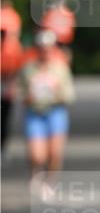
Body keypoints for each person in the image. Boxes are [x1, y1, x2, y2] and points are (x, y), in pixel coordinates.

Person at [19, 29, 75, 196]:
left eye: (48, 47)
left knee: (55, 153)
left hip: (56, 112)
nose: (45, 51)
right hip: (35, 112)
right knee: (37, 155)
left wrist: (57, 91)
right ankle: (35, 174)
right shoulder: (28, 69)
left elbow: (69, 94)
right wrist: (28, 96)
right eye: (42, 47)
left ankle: (50, 182)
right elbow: (20, 93)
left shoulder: (60, 68)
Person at [1, 0, 24, 152]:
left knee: (5, 116)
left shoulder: (13, 47)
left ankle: (3, 145)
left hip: (6, 82)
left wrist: (12, 86)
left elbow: (16, 69)